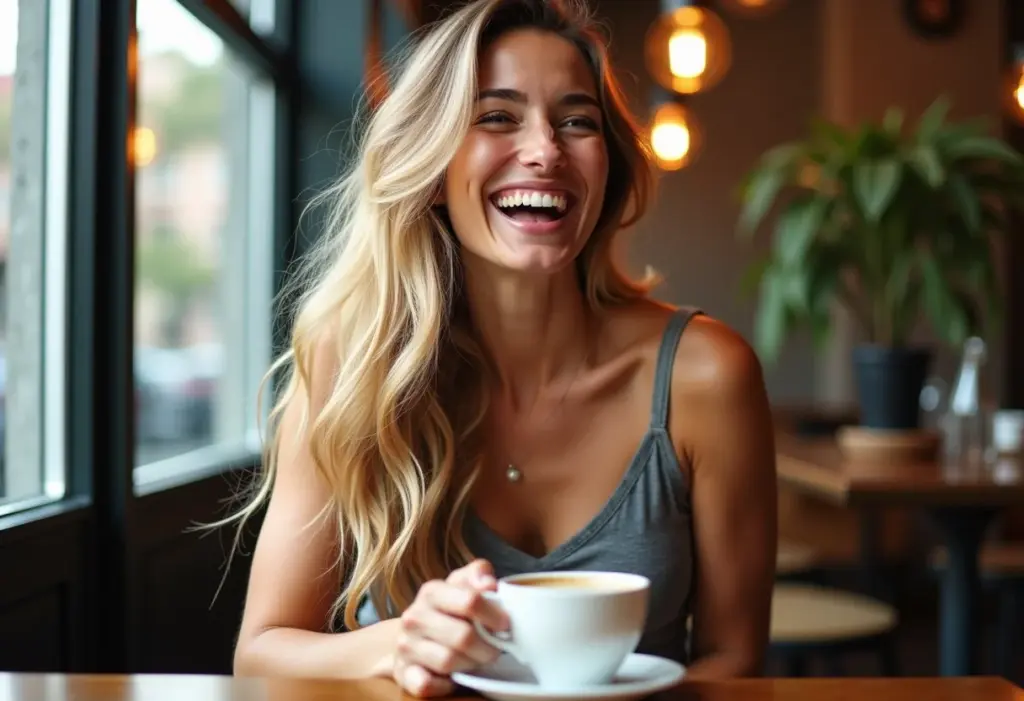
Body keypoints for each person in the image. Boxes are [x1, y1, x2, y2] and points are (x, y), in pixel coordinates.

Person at [228, 0, 777, 696]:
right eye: (496, 116)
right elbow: (263, 651)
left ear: (606, 169)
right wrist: (400, 643)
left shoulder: (707, 375)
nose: (546, 148)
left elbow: (734, 658)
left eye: (577, 121)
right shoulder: (351, 364)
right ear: (432, 167)